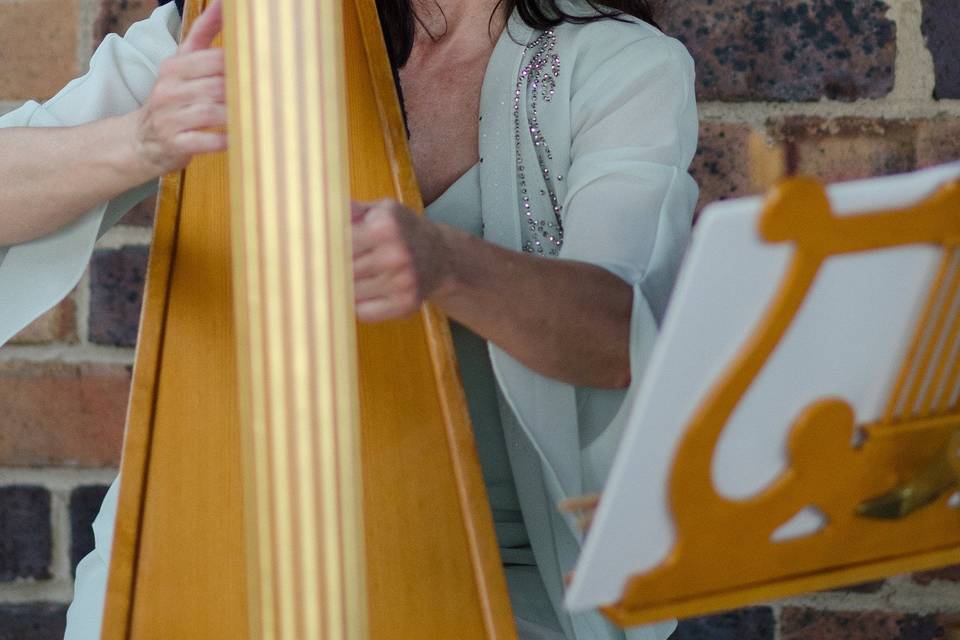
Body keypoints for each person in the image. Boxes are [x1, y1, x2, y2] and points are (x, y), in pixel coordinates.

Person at [0, 0, 698, 637]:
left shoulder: (619, 68)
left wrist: (448, 265)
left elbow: (617, 335)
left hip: (499, 559)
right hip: (210, 524)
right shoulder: (243, 22)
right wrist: (139, 142)